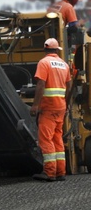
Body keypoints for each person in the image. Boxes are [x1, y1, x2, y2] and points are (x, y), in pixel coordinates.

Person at [29, 38, 72, 181]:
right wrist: (66, 104)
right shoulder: (64, 64)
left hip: (48, 107)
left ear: (45, 49)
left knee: (46, 139)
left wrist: (35, 105)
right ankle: (60, 171)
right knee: (57, 138)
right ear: (57, 50)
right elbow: (69, 86)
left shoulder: (44, 63)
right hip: (60, 107)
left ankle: (49, 172)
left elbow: (41, 84)